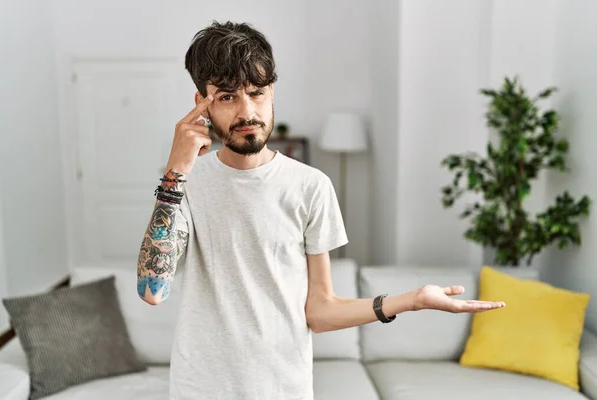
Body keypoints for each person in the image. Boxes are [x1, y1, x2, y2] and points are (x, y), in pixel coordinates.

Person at [136, 21, 506, 400]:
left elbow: (321, 310)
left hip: (283, 389)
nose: (248, 111)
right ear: (202, 101)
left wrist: (410, 301)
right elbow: (153, 289)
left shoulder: (311, 186)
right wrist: (175, 171)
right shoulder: (184, 184)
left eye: (257, 93)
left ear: (272, 91)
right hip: (200, 389)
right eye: (228, 97)